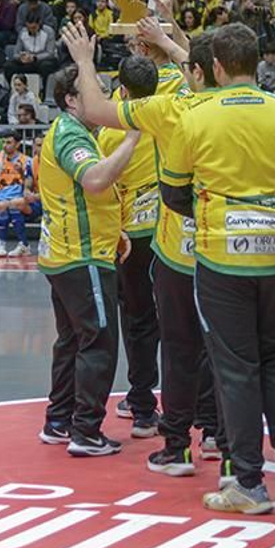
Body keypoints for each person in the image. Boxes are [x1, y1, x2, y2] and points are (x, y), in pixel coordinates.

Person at [63, 18, 226, 478]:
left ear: (122, 89)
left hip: (146, 239)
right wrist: (165, 38)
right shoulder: (184, 105)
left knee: (145, 328)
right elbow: (197, 68)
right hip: (202, 238)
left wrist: (84, 61)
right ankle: (214, 429)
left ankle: (147, 409)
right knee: (212, 337)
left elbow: (96, 130)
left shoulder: (124, 125)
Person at [161, 24, 275, 513]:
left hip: (221, 259)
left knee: (236, 371)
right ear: (260, 61)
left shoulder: (195, 117)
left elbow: (173, 190)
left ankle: (247, 482)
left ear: (216, 66)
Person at [34, 63, 143, 455]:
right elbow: (95, 180)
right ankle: (86, 432)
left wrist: (115, 230)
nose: (102, 101)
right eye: (92, 92)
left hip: (66, 255)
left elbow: (81, 195)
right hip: (82, 257)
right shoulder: (70, 135)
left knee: (71, 340)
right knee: (99, 341)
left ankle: (59, 421)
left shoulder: (77, 132)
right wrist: (133, 138)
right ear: (71, 100)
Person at [99, 55, 164, 438]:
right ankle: (197, 412)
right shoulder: (169, 123)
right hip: (170, 235)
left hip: (129, 238)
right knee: (180, 321)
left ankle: (142, 406)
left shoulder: (110, 132)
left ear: (122, 90)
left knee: (138, 322)